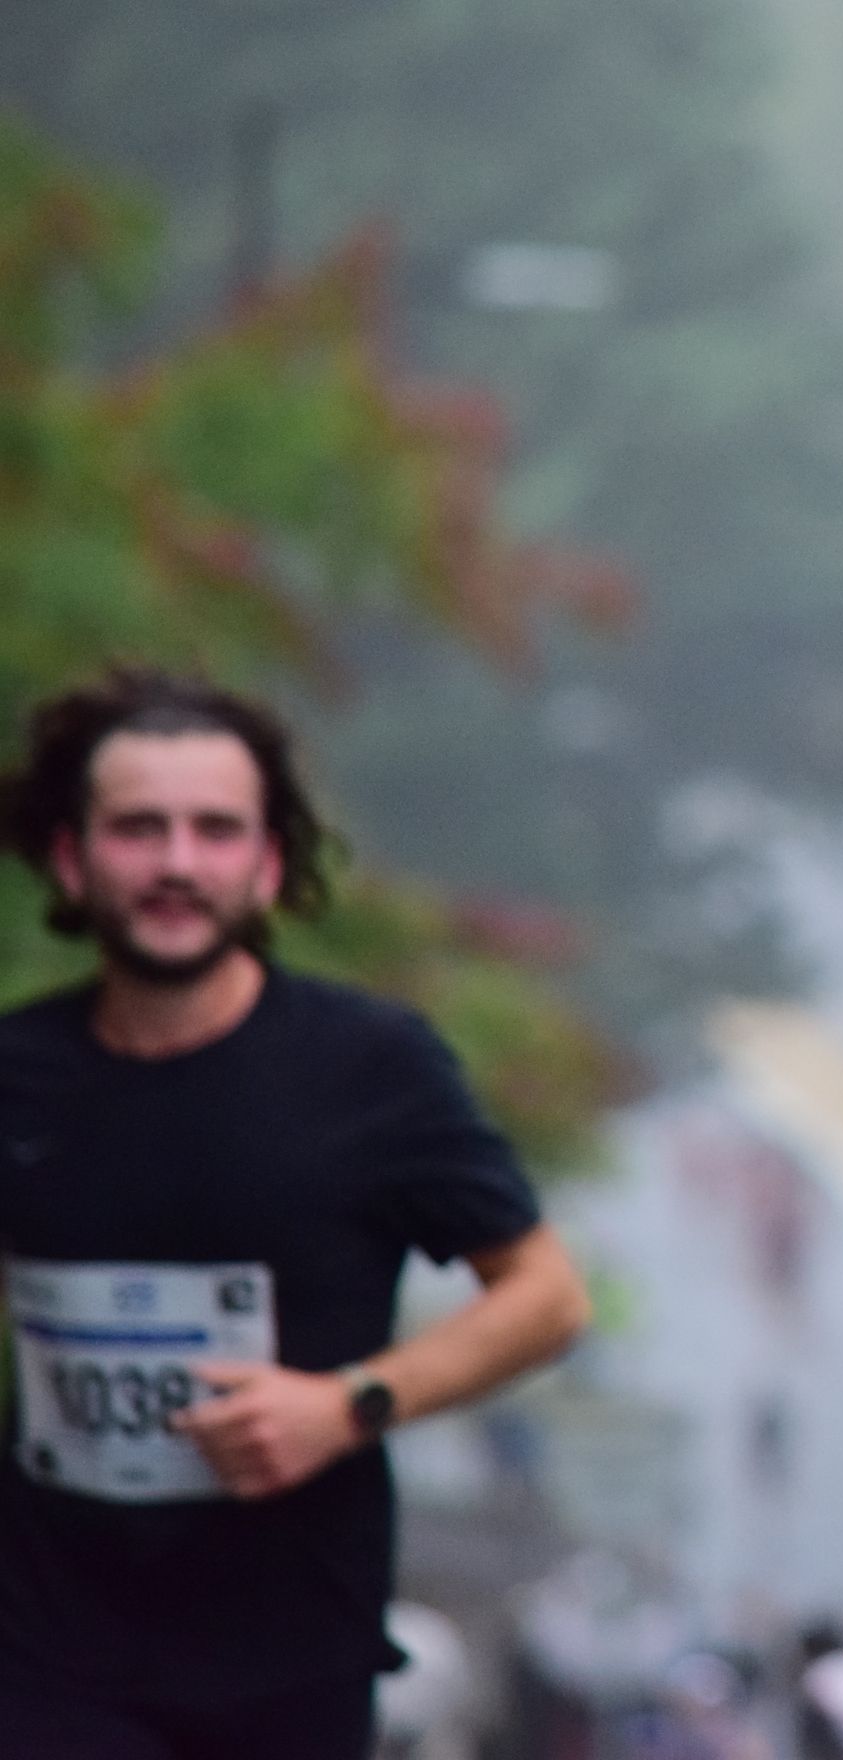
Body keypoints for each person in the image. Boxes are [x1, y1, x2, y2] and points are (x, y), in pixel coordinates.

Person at [0, 669, 593, 1759]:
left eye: (215, 829)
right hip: (45, 1651)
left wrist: (348, 1403)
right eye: (138, 828)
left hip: (288, 1656)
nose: (178, 863)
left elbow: (546, 1296)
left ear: (270, 866)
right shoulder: (18, 1071)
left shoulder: (370, 1067)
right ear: (71, 858)